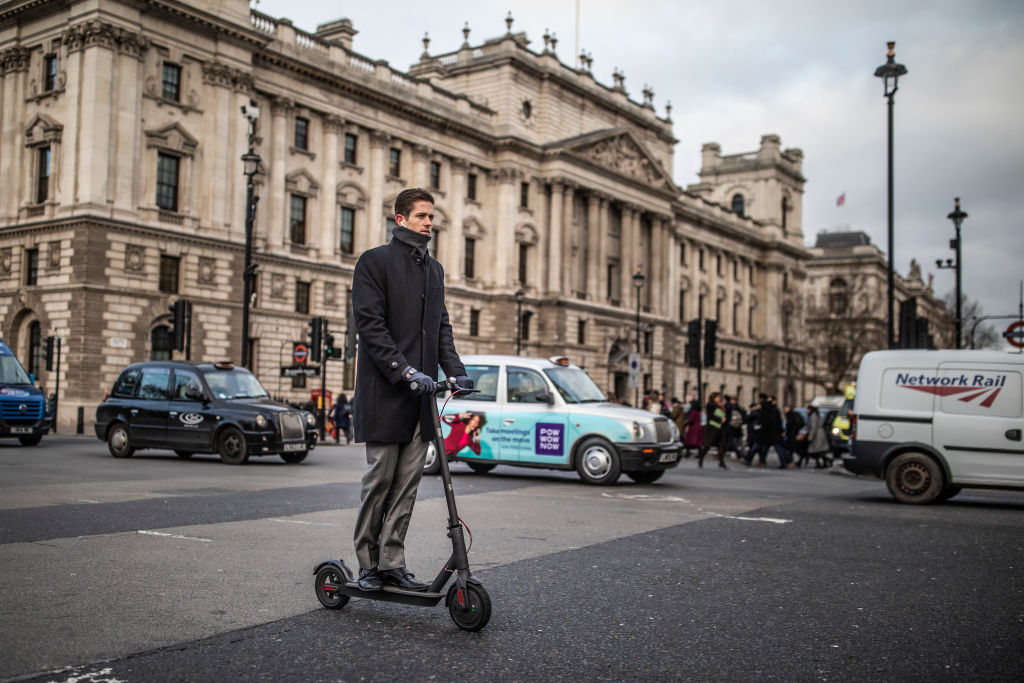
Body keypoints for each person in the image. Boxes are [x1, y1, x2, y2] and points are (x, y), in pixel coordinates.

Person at [351, 188, 474, 592]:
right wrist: (403, 371)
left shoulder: (433, 269)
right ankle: (369, 564)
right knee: (380, 482)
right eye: (421, 215)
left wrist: (457, 371)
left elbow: (441, 328)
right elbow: (371, 327)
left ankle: (392, 560)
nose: (429, 222)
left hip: (421, 398)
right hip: (386, 392)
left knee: (407, 486)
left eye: (431, 216)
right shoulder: (373, 262)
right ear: (400, 219)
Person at [697, 392, 728, 469]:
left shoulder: (718, 405)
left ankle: (722, 462)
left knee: (721, 445)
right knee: (707, 445)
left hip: (719, 428)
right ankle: (701, 459)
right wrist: (721, 418)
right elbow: (711, 415)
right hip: (712, 427)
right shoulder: (710, 405)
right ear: (714, 398)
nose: (719, 399)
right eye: (718, 397)